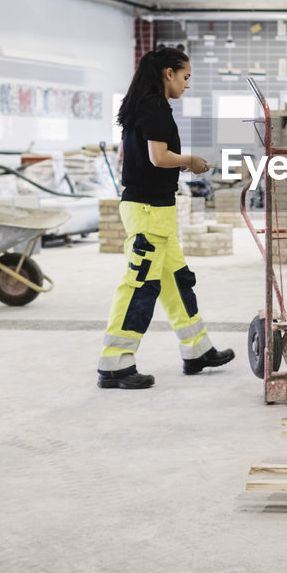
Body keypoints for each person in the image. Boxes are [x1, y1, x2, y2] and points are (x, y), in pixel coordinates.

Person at [97, 46, 234, 390]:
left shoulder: (140, 105)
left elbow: (139, 156)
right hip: (147, 211)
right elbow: (159, 158)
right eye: (185, 76)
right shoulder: (155, 106)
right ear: (168, 73)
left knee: (176, 280)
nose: (187, 84)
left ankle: (197, 349)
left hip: (156, 208)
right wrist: (191, 160)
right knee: (140, 284)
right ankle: (115, 362)